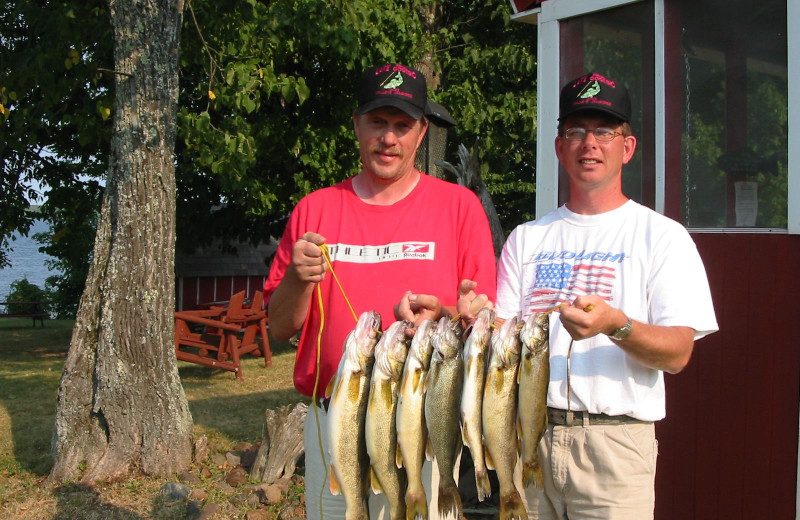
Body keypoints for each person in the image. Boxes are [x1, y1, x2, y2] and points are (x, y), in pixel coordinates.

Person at [263, 63, 497, 520]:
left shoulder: (459, 207)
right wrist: (297, 277)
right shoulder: (314, 209)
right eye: (377, 122)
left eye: (402, 125)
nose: (389, 138)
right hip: (337, 415)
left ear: (421, 132)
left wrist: (450, 311)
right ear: (357, 124)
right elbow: (277, 328)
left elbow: (483, 321)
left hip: (424, 416)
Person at [495, 72, 718, 519]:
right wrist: (470, 319)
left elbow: (677, 354)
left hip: (615, 447)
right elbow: (503, 340)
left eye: (604, 131)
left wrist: (617, 325)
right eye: (576, 131)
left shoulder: (663, 236)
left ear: (627, 147)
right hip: (527, 436)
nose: (589, 144)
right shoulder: (526, 238)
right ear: (559, 147)